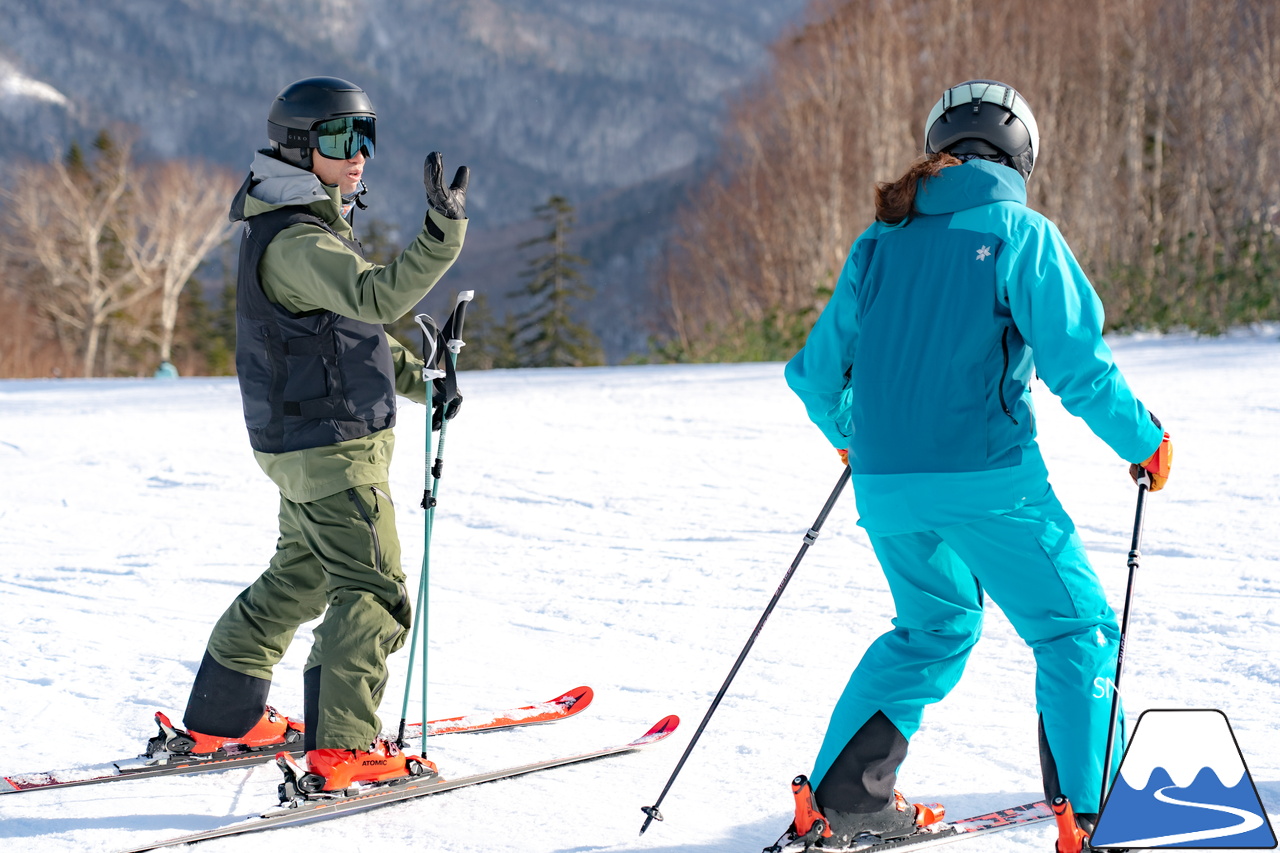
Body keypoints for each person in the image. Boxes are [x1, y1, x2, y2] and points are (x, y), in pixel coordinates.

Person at [782, 80, 1173, 852]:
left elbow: (814, 375)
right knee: (1076, 630)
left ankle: (842, 801)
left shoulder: (879, 242)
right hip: (990, 482)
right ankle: (1097, 815)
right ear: (1021, 155)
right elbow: (1078, 367)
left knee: (934, 625)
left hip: (888, 488)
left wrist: (853, 435)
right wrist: (1144, 440)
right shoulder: (1018, 232)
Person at [147, 76, 471, 793]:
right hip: (332, 447)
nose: (358, 155)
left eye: (365, 137)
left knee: (304, 574)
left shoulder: (300, 225)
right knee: (375, 587)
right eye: (337, 139)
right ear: (299, 149)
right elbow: (377, 296)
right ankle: (344, 748)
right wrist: (443, 234)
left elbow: (348, 330)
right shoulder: (297, 238)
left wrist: (422, 378)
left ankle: (223, 715)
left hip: (300, 443)